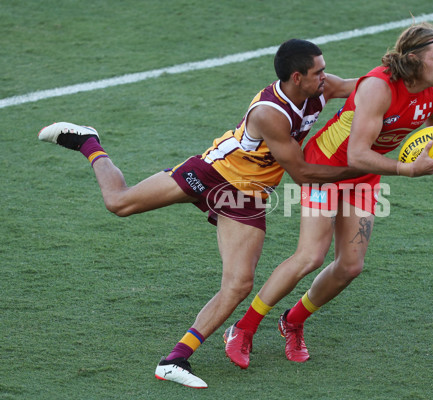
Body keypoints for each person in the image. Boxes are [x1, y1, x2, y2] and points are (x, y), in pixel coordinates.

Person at [37, 39, 365, 389]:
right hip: (212, 173)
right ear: (297, 77)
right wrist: (373, 167)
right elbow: (301, 173)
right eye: (319, 72)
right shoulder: (269, 112)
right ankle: (89, 142)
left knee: (239, 283)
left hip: (247, 197)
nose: (326, 77)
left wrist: (411, 82)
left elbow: (367, 87)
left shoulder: (321, 88)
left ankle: (175, 359)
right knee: (118, 203)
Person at [224, 22, 433, 369]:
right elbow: (356, 154)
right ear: (414, 59)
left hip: (365, 174)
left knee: (351, 265)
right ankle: (243, 329)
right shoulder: (378, 88)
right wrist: (407, 170)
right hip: (327, 165)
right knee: (310, 255)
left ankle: (292, 322)